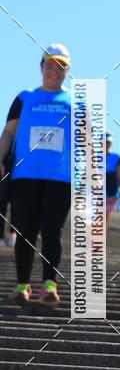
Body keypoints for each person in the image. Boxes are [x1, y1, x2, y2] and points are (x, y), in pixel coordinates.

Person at [0, 44, 72, 304]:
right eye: (50, 64)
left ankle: (49, 285)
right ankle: (22, 286)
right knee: (25, 232)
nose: (54, 70)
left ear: (68, 70)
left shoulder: (75, 102)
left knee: (52, 232)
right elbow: (8, 132)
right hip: (25, 175)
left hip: (60, 177)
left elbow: (87, 142)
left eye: (60, 66)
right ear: (41, 67)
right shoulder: (24, 97)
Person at [105, 132, 120, 226]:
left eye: (109, 142)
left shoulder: (116, 158)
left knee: (105, 215)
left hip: (111, 191)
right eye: (105, 142)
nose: (107, 144)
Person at [0, 143, 16, 246]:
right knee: (1, 204)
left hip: (19, 176)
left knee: (17, 207)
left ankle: (13, 234)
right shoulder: (5, 139)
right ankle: (0, 236)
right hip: (3, 174)